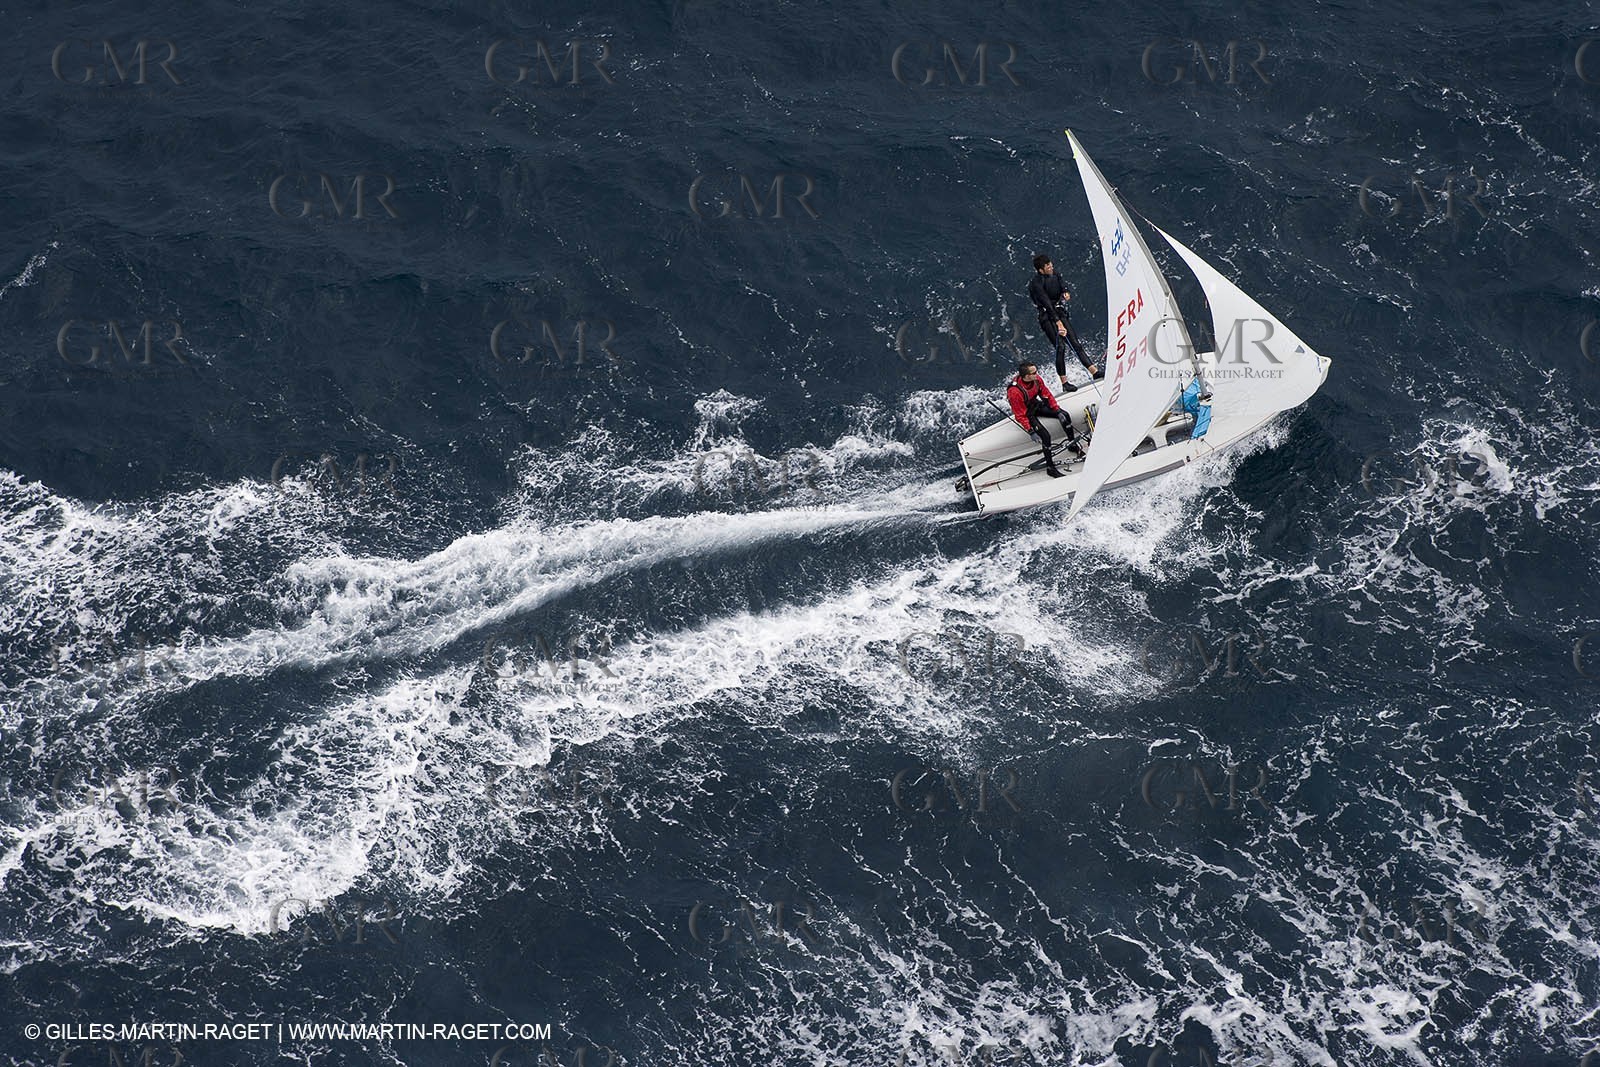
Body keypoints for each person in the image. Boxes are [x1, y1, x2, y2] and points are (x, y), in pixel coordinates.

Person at [1028, 254, 1100, 384]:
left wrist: (1065, 291)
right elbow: (1046, 304)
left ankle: (1094, 372)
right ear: (1040, 270)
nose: (1051, 267)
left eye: (1050, 264)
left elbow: (1062, 283)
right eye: (1047, 266)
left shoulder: (1055, 273)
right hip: (1047, 316)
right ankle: (1065, 383)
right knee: (1060, 347)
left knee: (1076, 344)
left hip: (1059, 311)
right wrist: (1058, 323)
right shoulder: (1036, 284)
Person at [1006, 362, 1082, 478]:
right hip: (1027, 413)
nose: (1037, 374)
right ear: (1026, 376)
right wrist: (1030, 431)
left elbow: (1047, 395)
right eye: (1034, 373)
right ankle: (1050, 468)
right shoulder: (1014, 392)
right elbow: (1020, 415)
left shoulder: (1036, 379)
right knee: (1046, 436)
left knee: (1065, 415)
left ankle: (1072, 445)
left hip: (1036, 405)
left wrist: (1057, 410)